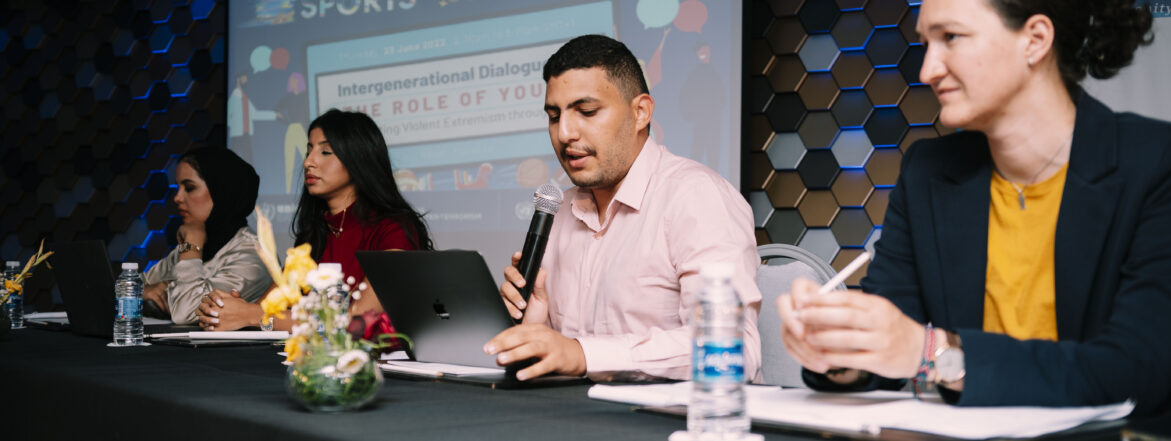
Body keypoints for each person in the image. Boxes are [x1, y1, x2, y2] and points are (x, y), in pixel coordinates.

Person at [778, 0, 1171, 415]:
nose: (927, 70)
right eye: (926, 44)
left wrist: (934, 354)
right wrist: (838, 348)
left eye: (951, 37)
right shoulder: (927, 173)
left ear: (1035, 39)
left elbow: (1136, 370)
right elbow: (891, 340)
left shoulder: (1160, 164)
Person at [485, 35, 762, 382]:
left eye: (587, 112)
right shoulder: (560, 209)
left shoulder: (698, 198)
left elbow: (735, 349)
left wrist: (583, 354)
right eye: (554, 116)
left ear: (640, 112)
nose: (565, 133)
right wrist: (534, 330)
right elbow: (562, 355)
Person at [197, 109, 433, 331]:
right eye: (308, 150)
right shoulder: (316, 233)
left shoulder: (394, 229)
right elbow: (266, 307)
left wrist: (254, 316)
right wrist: (224, 308)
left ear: (358, 159)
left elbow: (356, 321)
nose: (308, 162)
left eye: (325, 152)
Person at [142, 148, 270, 325]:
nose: (177, 198)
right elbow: (126, 288)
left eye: (189, 188)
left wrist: (191, 246)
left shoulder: (254, 256)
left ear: (222, 191)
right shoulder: (196, 245)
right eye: (178, 188)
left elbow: (185, 312)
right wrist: (143, 292)